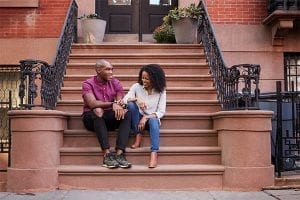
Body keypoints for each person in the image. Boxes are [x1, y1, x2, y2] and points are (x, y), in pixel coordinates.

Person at [81, 59, 131, 169]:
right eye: (108, 69)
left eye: (112, 69)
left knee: (126, 113)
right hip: (91, 119)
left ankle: (119, 154)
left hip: (108, 118)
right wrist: (112, 104)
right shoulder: (87, 84)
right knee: (97, 111)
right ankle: (107, 154)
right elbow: (92, 103)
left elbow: (119, 100)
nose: (111, 72)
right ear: (98, 70)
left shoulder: (115, 82)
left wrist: (118, 104)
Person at [123, 64, 166, 168]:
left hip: (150, 120)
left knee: (154, 120)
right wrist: (137, 99)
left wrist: (146, 117)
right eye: (143, 78)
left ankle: (154, 153)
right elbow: (125, 100)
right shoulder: (136, 87)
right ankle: (138, 136)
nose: (144, 80)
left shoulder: (161, 91)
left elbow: (161, 112)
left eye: (147, 78)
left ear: (155, 79)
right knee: (131, 105)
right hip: (137, 120)